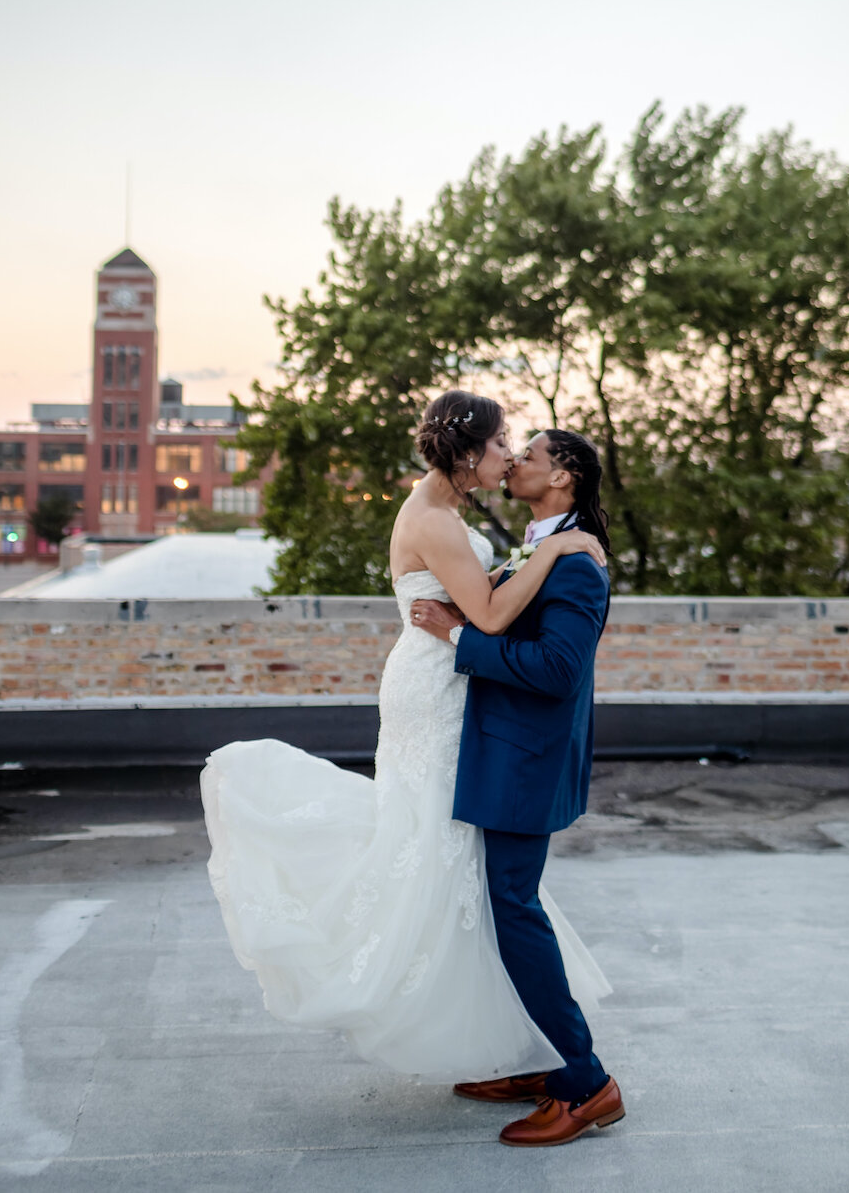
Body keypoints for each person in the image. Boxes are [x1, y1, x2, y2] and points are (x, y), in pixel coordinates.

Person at [200, 392, 610, 1092]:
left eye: (522, 448)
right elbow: (484, 615)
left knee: (469, 880)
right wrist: (553, 551)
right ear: (469, 452)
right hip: (438, 687)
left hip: (457, 686)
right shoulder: (440, 520)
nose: (509, 456)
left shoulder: (448, 514)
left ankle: (540, 1058)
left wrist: (539, 560)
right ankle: (556, 1063)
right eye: (502, 444)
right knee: (442, 860)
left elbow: (503, 628)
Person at [411, 428, 624, 1146]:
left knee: (513, 907)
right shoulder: (545, 549)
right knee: (499, 905)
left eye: (529, 453)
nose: (515, 461)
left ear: (562, 476)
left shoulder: (576, 566)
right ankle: (533, 1059)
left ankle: (584, 1082)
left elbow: (558, 669)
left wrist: (457, 638)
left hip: (522, 760)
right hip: (500, 750)